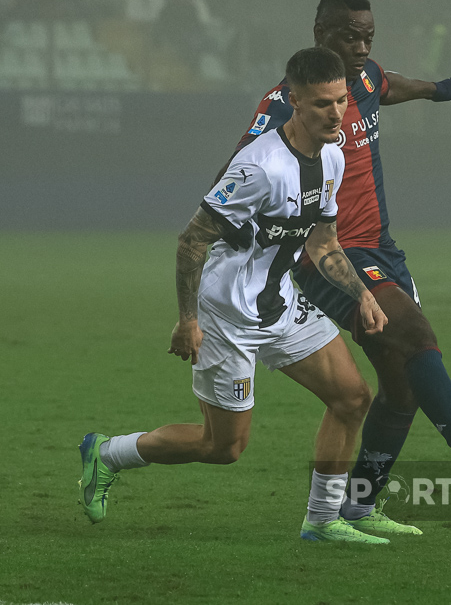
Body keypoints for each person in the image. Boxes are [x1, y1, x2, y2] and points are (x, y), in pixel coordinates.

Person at [230, 0, 451, 532]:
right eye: (348, 35)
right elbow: (238, 170)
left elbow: (391, 85)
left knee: (402, 385)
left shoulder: (362, 81)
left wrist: (440, 91)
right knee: (413, 333)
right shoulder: (282, 103)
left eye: (367, 36)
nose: (360, 46)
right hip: (328, 254)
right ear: (320, 33)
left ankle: (358, 505)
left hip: (383, 249)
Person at [80, 47, 393, 544]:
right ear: (292, 101)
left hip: (281, 305)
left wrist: (362, 295)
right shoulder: (259, 167)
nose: (335, 113)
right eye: (320, 104)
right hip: (227, 315)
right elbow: (192, 238)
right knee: (223, 447)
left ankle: (323, 520)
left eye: (340, 101)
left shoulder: (333, 155)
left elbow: (323, 241)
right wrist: (188, 319)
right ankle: (107, 452)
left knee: (352, 398)